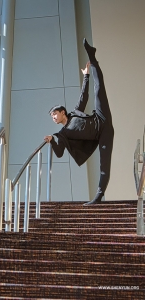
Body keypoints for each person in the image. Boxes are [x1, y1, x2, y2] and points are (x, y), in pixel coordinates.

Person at [44, 38, 114, 205]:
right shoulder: (62, 134)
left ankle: (92, 55)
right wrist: (53, 141)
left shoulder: (75, 112)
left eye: (54, 114)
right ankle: (98, 195)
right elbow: (60, 152)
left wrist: (86, 76)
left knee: (99, 89)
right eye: (51, 117)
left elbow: (85, 96)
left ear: (62, 112)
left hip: (101, 117)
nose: (53, 118)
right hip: (103, 134)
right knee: (104, 165)